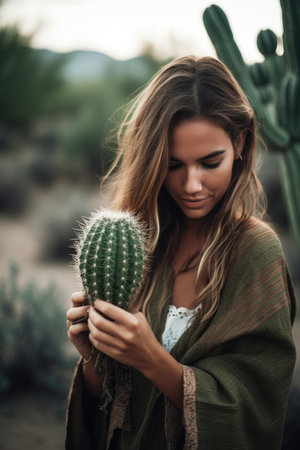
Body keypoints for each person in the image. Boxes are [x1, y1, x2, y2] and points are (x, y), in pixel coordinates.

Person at [65, 56, 297, 450]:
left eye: (210, 162)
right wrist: (94, 356)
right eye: (173, 165)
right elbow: (110, 404)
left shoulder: (256, 252)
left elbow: (256, 407)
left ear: (239, 142)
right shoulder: (137, 243)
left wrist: (152, 358)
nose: (191, 185)